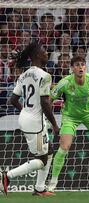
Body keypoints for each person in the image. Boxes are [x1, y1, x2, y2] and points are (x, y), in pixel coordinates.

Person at [47, 56, 89, 192]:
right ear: (72, 68)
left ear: (85, 67)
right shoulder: (64, 83)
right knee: (64, 146)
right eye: (77, 65)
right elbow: (49, 99)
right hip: (70, 116)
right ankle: (53, 181)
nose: (80, 67)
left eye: (82, 65)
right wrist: (48, 119)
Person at [0, 42, 59, 196]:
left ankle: (40, 188)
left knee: (49, 150)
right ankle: (6, 176)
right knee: (42, 160)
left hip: (25, 118)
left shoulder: (23, 75)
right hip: (35, 123)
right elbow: (45, 103)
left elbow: (12, 100)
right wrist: (54, 124)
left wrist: (26, 111)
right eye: (44, 51)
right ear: (37, 56)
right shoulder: (45, 76)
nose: (47, 53)